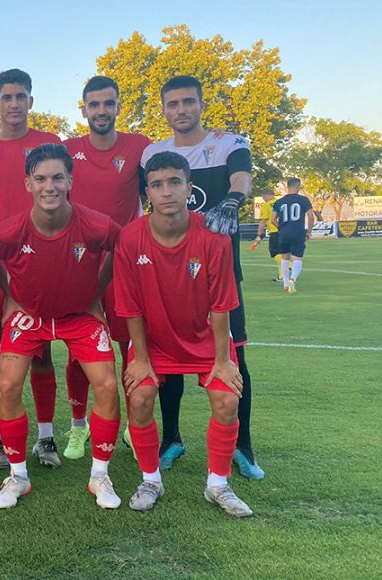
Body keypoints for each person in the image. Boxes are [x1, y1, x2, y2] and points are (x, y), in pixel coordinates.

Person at [114, 151, 253, 517]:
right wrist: (141, 359)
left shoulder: (213, 235)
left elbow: (222, 304)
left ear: (189, 188)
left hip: (206, 342)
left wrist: (223, 361)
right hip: (155, 342)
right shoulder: (130, 239)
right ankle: (150, 480)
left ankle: (218, 485)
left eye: (174, 182)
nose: (166, 192)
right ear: (147, 194)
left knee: (227, 400)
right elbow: (130, 307)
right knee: (140, 396)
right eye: (157, 185)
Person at [140, 75, 264, 480]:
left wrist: (232, 200)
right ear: (163, 109)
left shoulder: (229, 142)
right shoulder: (153, 153)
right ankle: (172, 438)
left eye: (188, 102)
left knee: (234, 358)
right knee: (169, 359)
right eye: (172, 104)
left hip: (220, 271)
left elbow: (241, 178)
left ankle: (243, 445)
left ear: (200, 103)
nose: (181, 110)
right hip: (167, 274)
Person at [0, 144, 122, 510]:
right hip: (30, 316)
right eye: (41, 178)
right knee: (8, 385)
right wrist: (10, 296)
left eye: (57, 178)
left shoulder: (96, 224)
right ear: (28, 184)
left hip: (79, 316)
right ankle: (18, 476)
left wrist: (96, 289)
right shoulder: (9, 230)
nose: (49, 186)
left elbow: (121, 247)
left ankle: (100, 474)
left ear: (70, 182)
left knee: (108, 385)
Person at [0, 69, 62, 469]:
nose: (13, 103)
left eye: (20, 96)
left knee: (40, 352)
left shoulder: (48, 143)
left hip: (41, 262)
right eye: (6, 97)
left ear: (30, 101)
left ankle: (46, 438)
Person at [62, 76, 152, 460]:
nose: (101, 111)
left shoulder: (140, 147)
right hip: (78, 262)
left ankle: (135, 426)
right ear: (82, 109)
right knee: (77, 349)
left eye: (108, 104)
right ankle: (78, 426)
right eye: (93, 105)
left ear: (118, 107)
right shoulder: (66, 150)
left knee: (131, 344)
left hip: (125, 263)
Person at [271, 177, 315, 293]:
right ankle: (293, 279)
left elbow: (272, 219)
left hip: (284, 233)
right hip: (298, 232)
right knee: (297, 258)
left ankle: (286, 284)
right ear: (298, 187)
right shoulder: (304, 200)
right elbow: (311, 216)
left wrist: (281, 228)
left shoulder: (279, 202)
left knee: (285, 258)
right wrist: (309, 232)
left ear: (287, 187)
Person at [250, 190, 284, 282]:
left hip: (275, 231)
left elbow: (263, 221)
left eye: (263, 197)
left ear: (267, 196)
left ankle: (289, 266)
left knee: (274, 254)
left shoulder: (266, 205)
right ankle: (282, 275)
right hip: (286, 231)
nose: (263, 200)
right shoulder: (281, 203)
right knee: (283, 253)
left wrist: (259, 235)